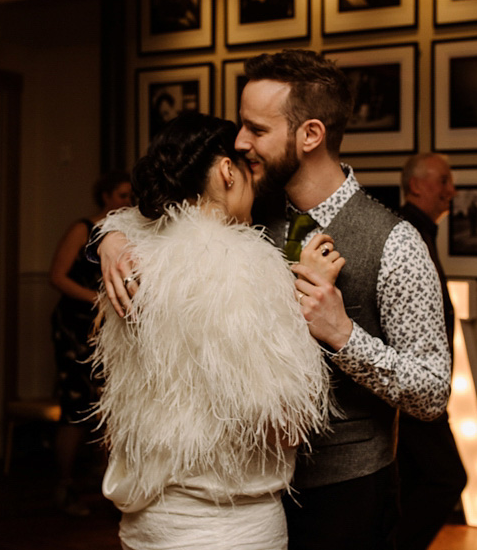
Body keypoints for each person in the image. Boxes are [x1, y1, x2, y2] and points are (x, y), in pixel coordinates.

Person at [99, 49, 451, 550]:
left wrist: (342, 335)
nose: (240, 142)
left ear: (310, 134)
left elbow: (432, 393)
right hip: (236, 500)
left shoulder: (394, 242)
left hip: (344, 497)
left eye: (256, 130)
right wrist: (108, 237)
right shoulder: (242, 206)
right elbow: (158, 220)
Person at [90, 112, 333, 549]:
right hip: (228, 529)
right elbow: (288, 424)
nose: (255, 187)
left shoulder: (129, 259)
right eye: (249, 172)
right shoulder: (251, 268)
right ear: (226, 170)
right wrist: (305, 296)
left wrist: (110, 234)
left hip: (146, 527)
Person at [48, 170, 132, 516]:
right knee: (76, 404)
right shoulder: (83, 229)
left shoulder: (129, 232)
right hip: (74, 326)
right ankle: (64, 486)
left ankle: (107, 484)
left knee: (111, 404)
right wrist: (97, 299)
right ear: (106, 197)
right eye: (124, 195)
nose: (130, 201)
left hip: (108, 329)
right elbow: (57, 277)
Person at [396, 153, 468, 550]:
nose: (450, 192)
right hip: (414, 391)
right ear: (417, 185)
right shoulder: (409, 236)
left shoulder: (419, 234)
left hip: (415, 390)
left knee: (411, 481)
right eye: (443, 181)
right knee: (447, 478)